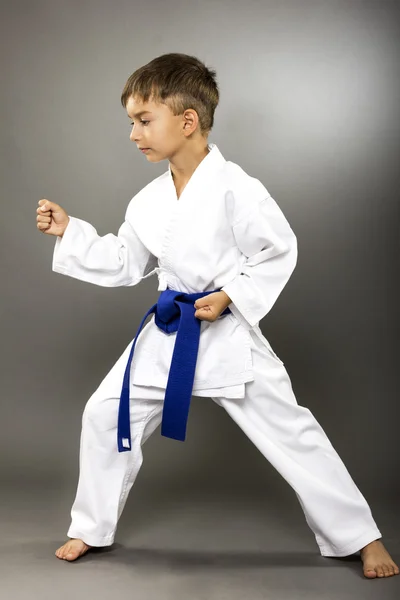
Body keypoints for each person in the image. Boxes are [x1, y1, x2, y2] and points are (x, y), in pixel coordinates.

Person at [36, 52, 398, 578]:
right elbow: (125, 261)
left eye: (143, 120)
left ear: (187, 121)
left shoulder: (238, 189)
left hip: (227, 335)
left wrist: (230, 296)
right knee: (103, 413)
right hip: (167, 332)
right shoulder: (149, 200)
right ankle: (90, 526)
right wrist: (69, 232)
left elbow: (278, 251)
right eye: (130, 122)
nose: (133, 133)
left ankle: (363, 538)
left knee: (293, 433)